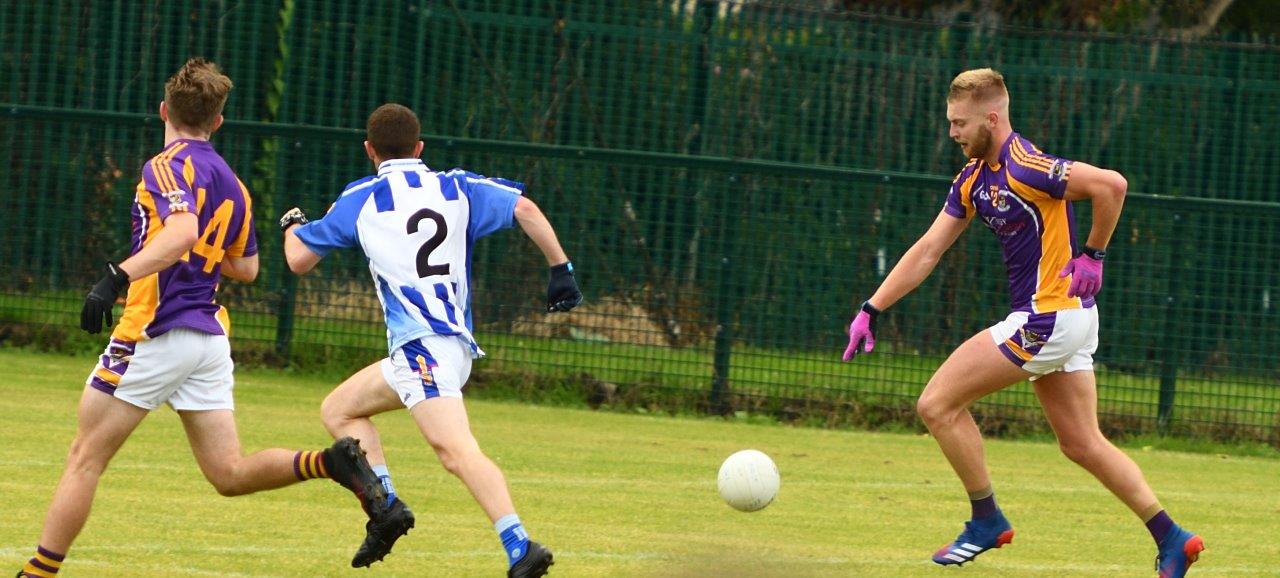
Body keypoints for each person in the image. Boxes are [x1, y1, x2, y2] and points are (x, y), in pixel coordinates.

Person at [14, 58, 387, 578]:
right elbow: (248, 267)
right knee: (228, 474)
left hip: (156, 331)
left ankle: (36, 573)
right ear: (218, 121)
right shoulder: (234, 184)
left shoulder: (164, 166)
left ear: (164, 110)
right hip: (207, 339)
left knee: (85, 458)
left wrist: (116, 277)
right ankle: (330, 462)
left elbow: (184, 231)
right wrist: (188, 256)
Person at [841, 68, 1203, 577]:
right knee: (1081, 443)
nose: (952, 133)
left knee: (937, 404)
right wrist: (871, 309)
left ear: (992, 116)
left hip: (1048, 316)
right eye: (949, 122)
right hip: (1064, 320)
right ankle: (1173, 538)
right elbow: (927, 250)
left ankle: (986, 519)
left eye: (960, 123)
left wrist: (1093, 254)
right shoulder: (973, 179)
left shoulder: (1025, 164)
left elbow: (1111, 186)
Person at [280, 103, 580, 577]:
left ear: (369, 151)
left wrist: (291, 224)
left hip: (425, 349)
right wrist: (560, 269)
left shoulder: (363, 194)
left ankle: (520, 545)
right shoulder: (456, 186)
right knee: (339, 410)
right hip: (445, 348)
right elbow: (524, 207)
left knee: (456, 452)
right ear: (420, 148)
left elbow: (297, 259)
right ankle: (386, 508)